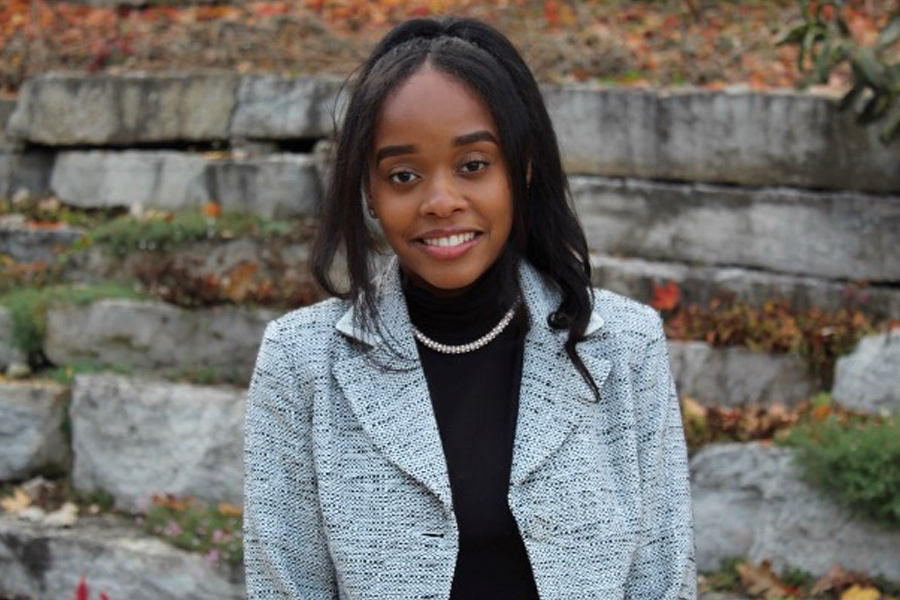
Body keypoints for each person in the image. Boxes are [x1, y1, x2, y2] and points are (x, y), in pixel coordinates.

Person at [243, 16, 695, 600]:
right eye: (403, 175)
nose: (441, 201)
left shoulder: (625, 345)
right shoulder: (301, 362)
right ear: (370, 194)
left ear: (522, 168)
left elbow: (664, 582)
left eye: (473, 165)